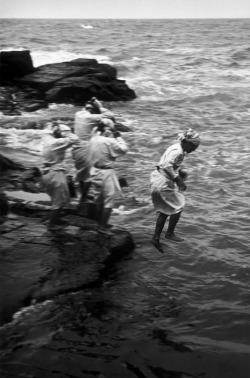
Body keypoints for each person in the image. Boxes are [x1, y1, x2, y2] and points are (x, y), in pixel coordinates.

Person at [150, 128, 201, 252]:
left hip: (157, 180)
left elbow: (168, 165)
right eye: (193, 147)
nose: (194, 150)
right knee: (178, 206)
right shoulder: (178, 151)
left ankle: (156, 238)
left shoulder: (176, 146)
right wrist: (178, 180)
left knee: (166, 210)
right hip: (163, 183)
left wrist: (179, 173)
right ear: (187, 143)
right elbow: (167, 166)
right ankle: (170, 233)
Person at [86, 119, 128, 233]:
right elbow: (124, 149)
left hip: (95, 171)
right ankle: (102, 227)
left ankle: (99, 223)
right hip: (106, 173)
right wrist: (117, 135)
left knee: (98, 199)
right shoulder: (109, 141)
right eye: (110, 129)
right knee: (109, 201)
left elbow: (96, 133)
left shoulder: (93, 139)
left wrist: (105, 130)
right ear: (106, 129)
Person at [42, 123, 79, 230]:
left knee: (57, 199)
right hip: (55, 174)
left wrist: (57, 129)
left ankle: (57, 219)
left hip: (48, 172)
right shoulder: (55, 143)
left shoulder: (46, 139)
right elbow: (74, 139)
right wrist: (66, 131)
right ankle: (52, 225)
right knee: (58, 202)